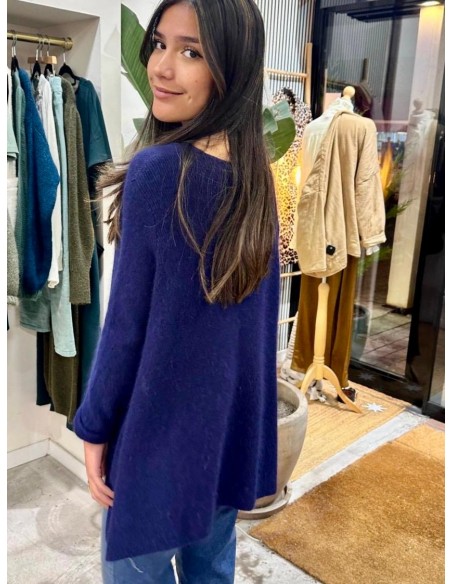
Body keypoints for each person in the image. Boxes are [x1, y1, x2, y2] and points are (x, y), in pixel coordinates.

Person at [72, 1, 280, 582]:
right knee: (212, 568)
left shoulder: (159, 172)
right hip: (225, 439)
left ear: (230, 69)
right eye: (160, 44)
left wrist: (94, 426)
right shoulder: (255, 177)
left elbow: (125, 327)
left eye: (191, 52)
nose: (161, 67)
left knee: (133, 572)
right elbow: (256, 330)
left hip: (158, 440)